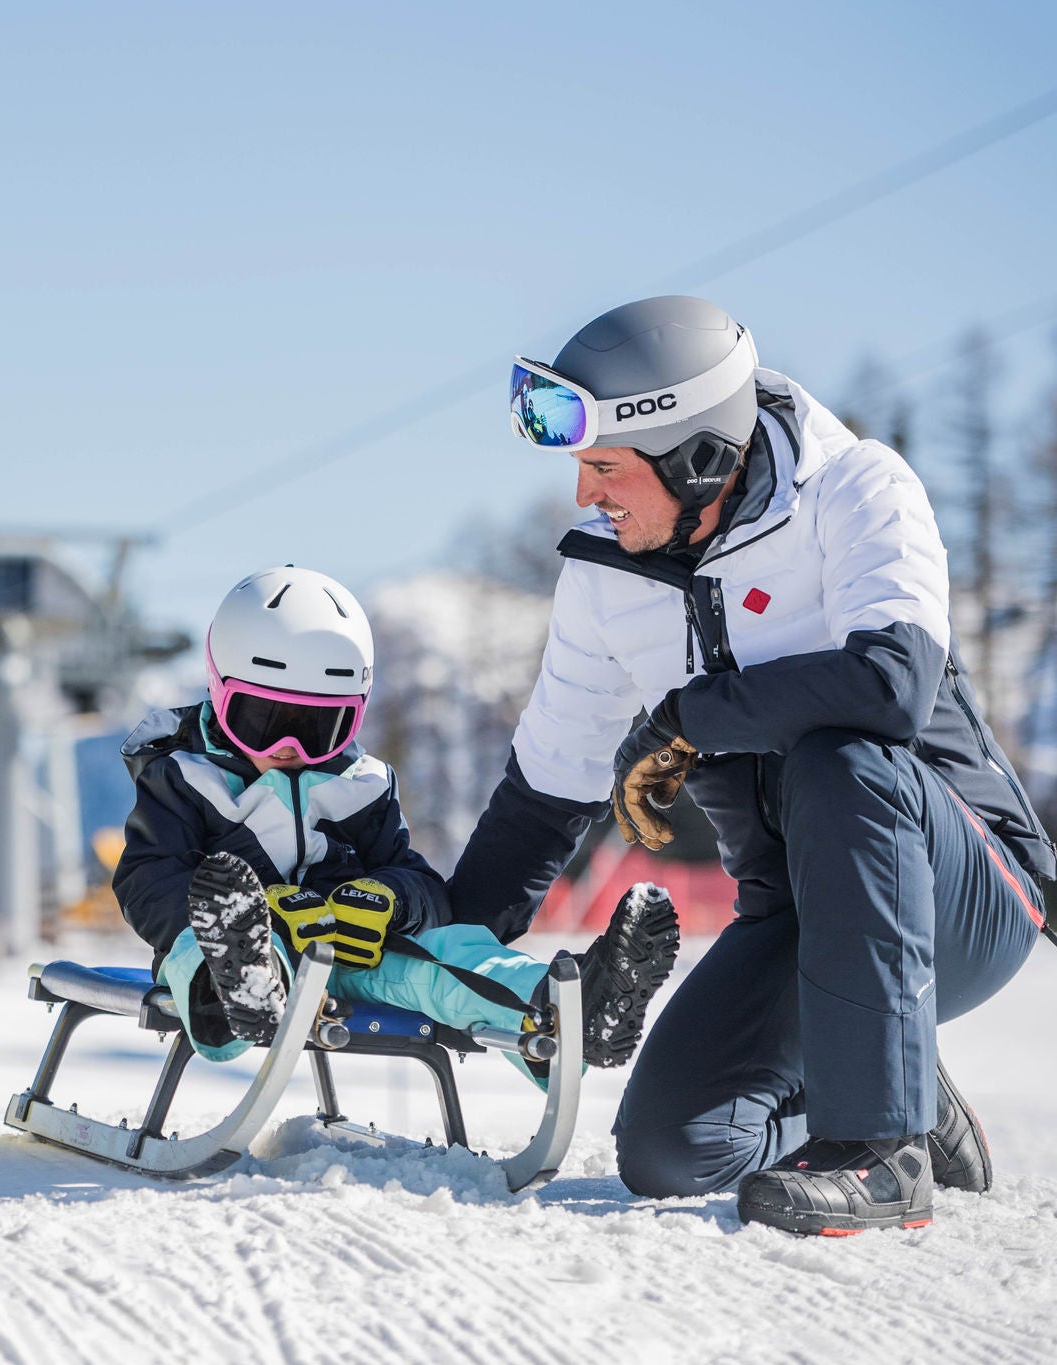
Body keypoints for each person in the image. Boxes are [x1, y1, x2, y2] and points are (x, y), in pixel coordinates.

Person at [452, 294, 1054, 1233]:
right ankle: (903, 1088)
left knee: (841, 758)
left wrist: (689, 717)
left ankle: (881, 1155)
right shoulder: (605, 577)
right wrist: (440, 958)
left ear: (699, 460)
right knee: (670, 1150)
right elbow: (543, 798)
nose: (586, 496)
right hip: (804, 915)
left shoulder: (856, 489)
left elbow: (890, 686)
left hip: (965, 897)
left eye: (605, 467)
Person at [112, 566, 680, 1075]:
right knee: (198, 946)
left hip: (354, 957)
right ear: (218, 690)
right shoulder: (184, 779)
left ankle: (569, 1009)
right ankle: (244, 975)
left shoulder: (362, 784)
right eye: (263, 721)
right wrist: (256, 918)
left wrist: (390, 900)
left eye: (318, 729)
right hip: (232, 948)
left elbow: (418, 882)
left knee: (450, 956)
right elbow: (147, 878)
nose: (289, 747)